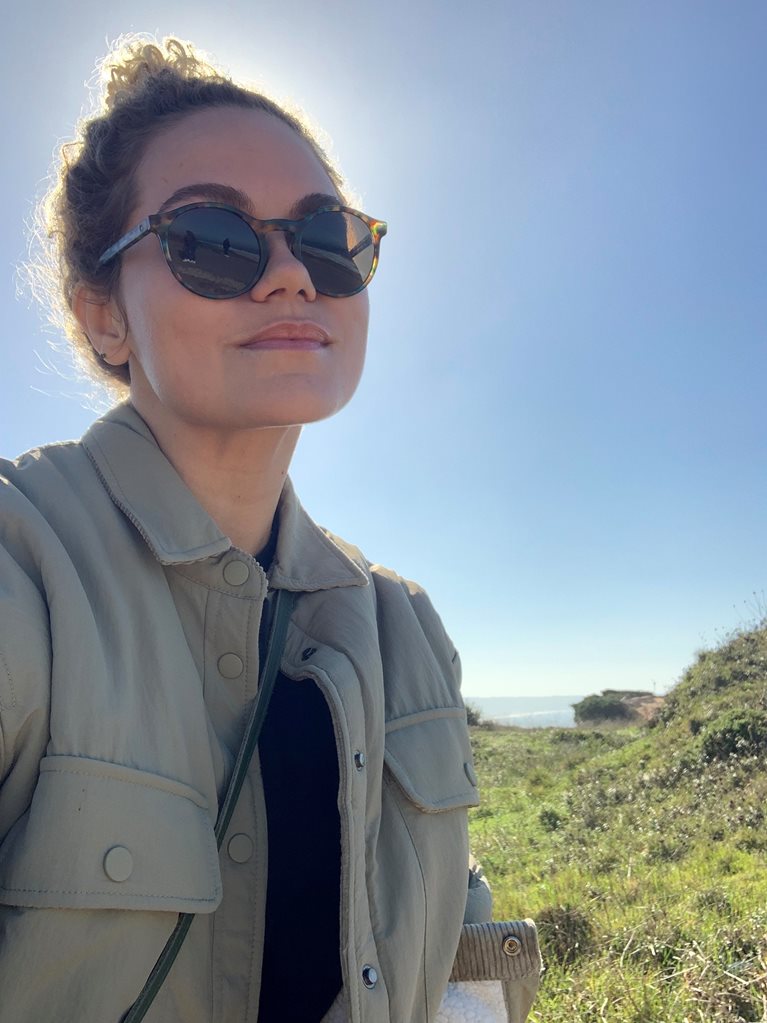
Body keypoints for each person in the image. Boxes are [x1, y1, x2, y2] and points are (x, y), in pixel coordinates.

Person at [0, 37, 541, 1023]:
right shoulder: (23, 567)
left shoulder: (402, 627)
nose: (292, 274)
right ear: (105, 317)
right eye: (213, 237)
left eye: (328, 237)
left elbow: (452, 937)